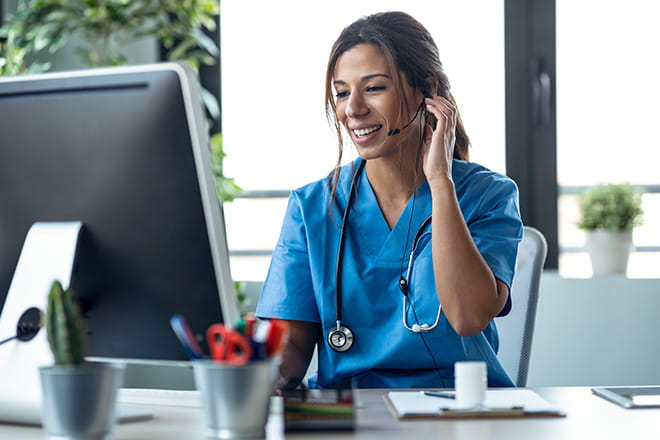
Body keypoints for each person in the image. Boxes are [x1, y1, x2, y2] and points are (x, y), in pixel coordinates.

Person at [256, 11, 523, 389]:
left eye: (374, 88)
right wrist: (261, 372)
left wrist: (440, 181)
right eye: (342, 92)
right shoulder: (312, 206)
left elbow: (467, 317)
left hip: (456, 410)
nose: (353, 109)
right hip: (348, 415)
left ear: (428, 91)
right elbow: (292, 343)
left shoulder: (487, 195)